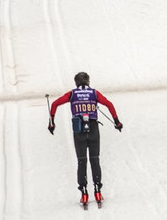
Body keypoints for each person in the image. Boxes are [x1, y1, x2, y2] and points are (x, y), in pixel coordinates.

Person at [48, 72, 121, 207]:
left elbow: (55, 104)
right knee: (95, 159)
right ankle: (98, 190)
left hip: (79, 130)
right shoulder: (94, 93)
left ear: (76, 83)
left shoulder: (72, 94)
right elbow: (109, 104)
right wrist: (116, 122)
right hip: (93, 129)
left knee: (82, 161)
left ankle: (84, 192)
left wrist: (51, 121)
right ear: (88, 82)